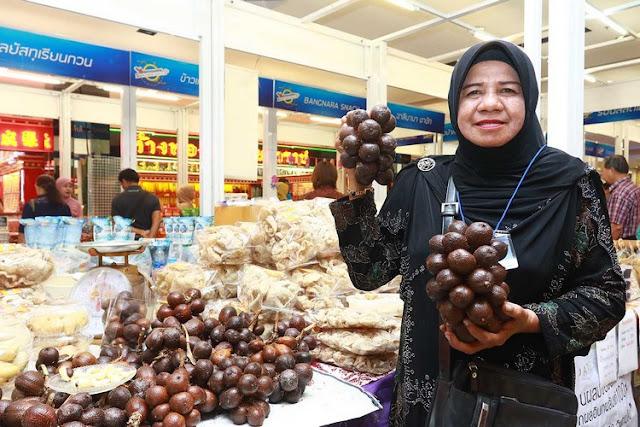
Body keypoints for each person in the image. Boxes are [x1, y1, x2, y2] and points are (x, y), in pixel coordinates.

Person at [330, 40, 625, 426]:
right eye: (473, 92)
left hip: (523, 403)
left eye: (508, 90)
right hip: (426, 399)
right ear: (455, 105)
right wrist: (355, 186)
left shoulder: (570, 185)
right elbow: (368, 272)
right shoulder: (423, 181)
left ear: (529, 100)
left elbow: (606, 295)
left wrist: (530, 320)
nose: (489, 103)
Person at [19, 174, 71, 242]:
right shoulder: (64, 206)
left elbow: (23, 232)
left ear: (37, 187)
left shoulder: (31, 205)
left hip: (36, 245)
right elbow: (69, 230)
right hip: (58, 245)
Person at [111, 168, 161, 238]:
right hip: (147, 239)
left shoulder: (117, 200)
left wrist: (140, 232)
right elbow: (157, 219)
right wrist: (150, 238)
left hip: (126, 240)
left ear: (124, 181)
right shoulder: (153, 198)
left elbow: (118, 223)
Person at [601, 155, 640, 240]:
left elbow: (616, 227)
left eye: (603, 170)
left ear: (611, 170)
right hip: (633, 240)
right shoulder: (632, 187)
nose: (602, 174)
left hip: (622, 242)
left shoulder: (619, 193)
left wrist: (606, 245)